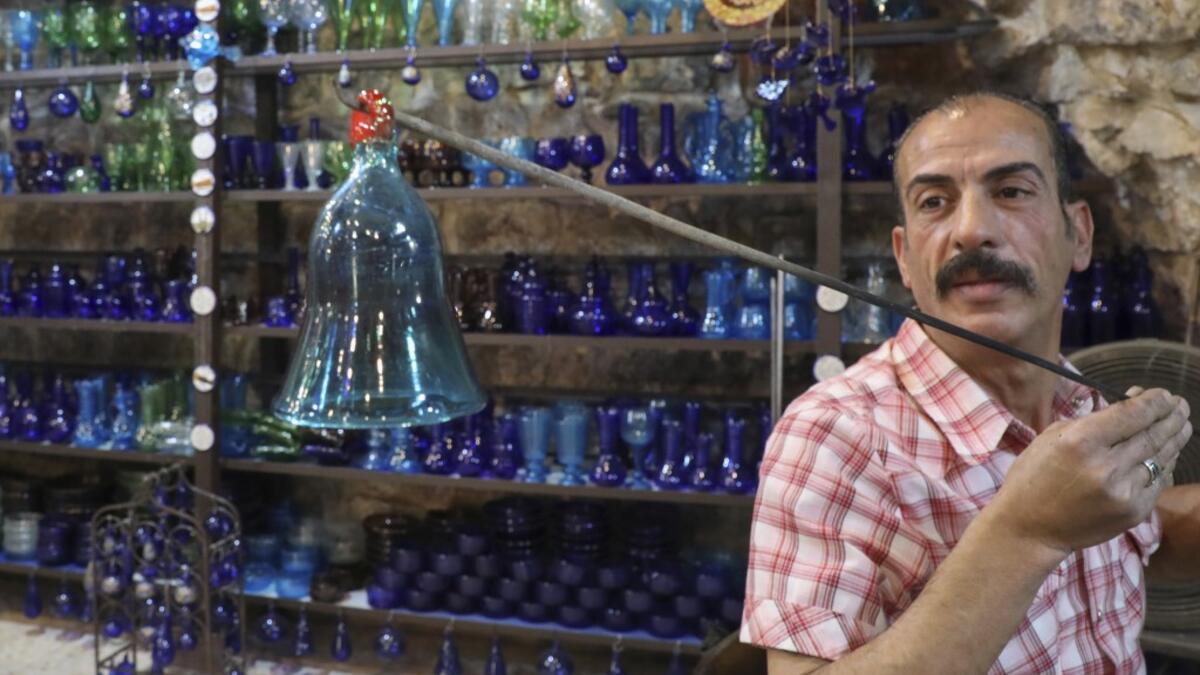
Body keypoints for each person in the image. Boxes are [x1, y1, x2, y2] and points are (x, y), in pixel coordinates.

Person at [740, 91, 1199, 674]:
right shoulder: (835, 436)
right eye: (935, 202)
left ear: (1078, 235)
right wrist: (1026, 534)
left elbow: (1134, 535)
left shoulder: (1080, 398)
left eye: (1011, 192)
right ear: (905, 259)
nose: (972, 230)